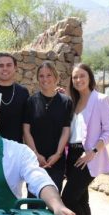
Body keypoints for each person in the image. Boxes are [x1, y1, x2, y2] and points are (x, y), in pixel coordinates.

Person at [62, 64, 109, 215]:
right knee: (82, 201)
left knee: (68, 198)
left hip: (88, 157)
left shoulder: (100, 99)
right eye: (75, 77)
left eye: (81, 76)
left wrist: (93, 152)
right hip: (72, 155)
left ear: (90, 77)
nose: (78, 80)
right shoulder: (72, 101)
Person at [23, 61, 73, 194]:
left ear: (56, 77)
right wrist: (36, 154)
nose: (45, 79)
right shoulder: (31, 101)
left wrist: (57, 154)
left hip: (57, 161)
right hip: (35, 161)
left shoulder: (66, 102)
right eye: (41, 76)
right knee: (33, 201)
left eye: (49, 75)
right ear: (37, 78)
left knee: (54, 201)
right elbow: (26, 131)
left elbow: (66, 130)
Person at [0, 52, 29, 143]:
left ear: (15, 68)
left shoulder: (23, 92)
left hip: (17, 147)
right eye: (1, 65)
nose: (5, 68)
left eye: (9, 65)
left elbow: (27, 125)